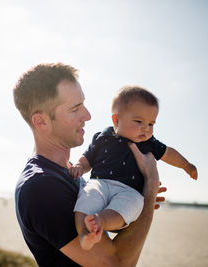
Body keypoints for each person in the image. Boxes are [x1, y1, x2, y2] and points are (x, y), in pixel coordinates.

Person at [13, 63, 166, 267]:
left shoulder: (68, 174)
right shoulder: (41, 187)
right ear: (41, 122)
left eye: (83, 104)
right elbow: (117, 263)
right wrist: (150, 186)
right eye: (75, 109)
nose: (88, 116)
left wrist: (129, 204)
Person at [70, 86, 198, 250]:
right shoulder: (103, 136)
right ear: (116, 120)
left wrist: (186, 165)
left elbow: (168, 153)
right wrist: (80, 166)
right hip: (99, 183)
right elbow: (88, 157)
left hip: (127, 190)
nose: (146, 128)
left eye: (151, 123)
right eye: (139, 121)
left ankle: (100, 221)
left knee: (135, 201)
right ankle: (86, 236)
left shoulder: (149, 143)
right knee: (87, 197)